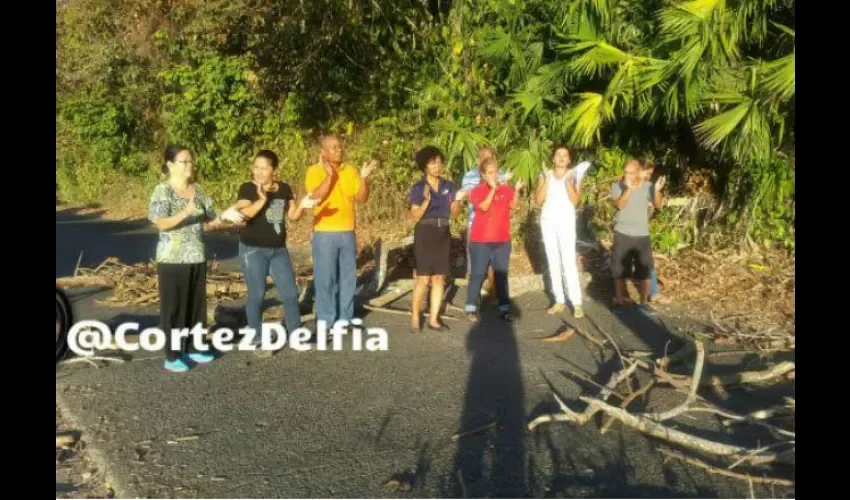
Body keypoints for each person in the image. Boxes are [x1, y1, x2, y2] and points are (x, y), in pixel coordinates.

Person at [148, 145, 235, 372]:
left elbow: (209, 222)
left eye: (190, 161)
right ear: (169, 165)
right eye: (183, 162)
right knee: (174, 307)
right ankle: (173, 354)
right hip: (172, 259)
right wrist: (184, 213)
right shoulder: (162, 191)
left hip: (197, 255)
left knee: (196, 305)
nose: (189, 166)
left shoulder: (198, 190)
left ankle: (195, 346)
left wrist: (225, 220)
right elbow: (160, 223)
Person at [235, 150, 315, 357]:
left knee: (290, 293)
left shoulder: (284, 189)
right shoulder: (247, 188)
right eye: (256, 167)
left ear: (274, 169)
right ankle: (257, 337)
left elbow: (293, 216)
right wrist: (261, 200)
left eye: (264, 168)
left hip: (278, 249)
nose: (259, 172)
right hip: (253, 250)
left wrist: (304, 205)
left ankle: (296, 334)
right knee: (257, 294)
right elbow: (244, 213)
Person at [304, 135, 378, 328]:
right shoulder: (314, 171)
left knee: (348, 278)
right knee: (325, 279)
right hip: (324, 233)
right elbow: (316, 197)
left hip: (347, 233)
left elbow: (361, 198)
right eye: (334, 148)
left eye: (340, 147)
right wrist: (329, 176)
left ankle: (345, 318)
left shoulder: (351, 170)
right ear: (323, 152)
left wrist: (363, 178)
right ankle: (326, 320)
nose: (339, 150)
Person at [408, 146, 461, 333]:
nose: (437, 166)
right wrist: (426, 202)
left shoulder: (449, 186)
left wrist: (456, 203)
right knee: (423, 278)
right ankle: (415, 314)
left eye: (439, 162)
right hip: (425, 232)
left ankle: (433, 319)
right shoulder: (419, 187)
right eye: (432, 163)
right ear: (424, 166)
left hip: (443, 231)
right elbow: (415, 216)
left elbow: (455, 212)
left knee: (439, 277)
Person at [610, 158, 666, 314]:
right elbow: (620, 205)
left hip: (642, 235)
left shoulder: (648, 187)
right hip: (622, 233)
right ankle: (619, 300)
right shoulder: (617, 186)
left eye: (631, 173)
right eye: (626, 172)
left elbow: (658, 204)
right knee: (619, 270)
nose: (628, 175)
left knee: (644, 270)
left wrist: (657, 189)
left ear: (638, 172)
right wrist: (628, 189)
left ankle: (643, 302)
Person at [465, 156, 517, 322]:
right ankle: (471, 307)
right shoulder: (477, 191)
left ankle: (504, 308)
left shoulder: (505, 189)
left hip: (502, 240)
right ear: (483, 174)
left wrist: (517, 189)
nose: (494, 175)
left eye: (496, 172)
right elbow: (484, 207)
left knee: (501, 275)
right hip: (481, 241)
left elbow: (514, 205)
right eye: (490, 173)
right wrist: (493, 190)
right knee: (478, 274)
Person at [535, 145, 584, 319]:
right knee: (552, 259)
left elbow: (576, 200)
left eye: (565, 155)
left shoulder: (574, 175)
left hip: (566, 222)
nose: (562, 157)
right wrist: (547, 181)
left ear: (569, 159)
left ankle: (576, 302)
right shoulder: (544, 174)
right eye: (558, 154)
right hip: (548, 221)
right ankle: (559, 299)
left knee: (568, 261)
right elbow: (538, 200)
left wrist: (568, 182)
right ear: (553, 159)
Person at [459, 148, 509, 301]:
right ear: (477, 160)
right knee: (476, 263)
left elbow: (507, 197)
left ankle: (494, 298)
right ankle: (474, 299)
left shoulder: (501, 174)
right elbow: (469, 195)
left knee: (496, 264)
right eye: (483, 158)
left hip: (497, 225)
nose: (487, 161)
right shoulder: (470, 175)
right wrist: (488, 184)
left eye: (491, 157)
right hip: (477, 224)